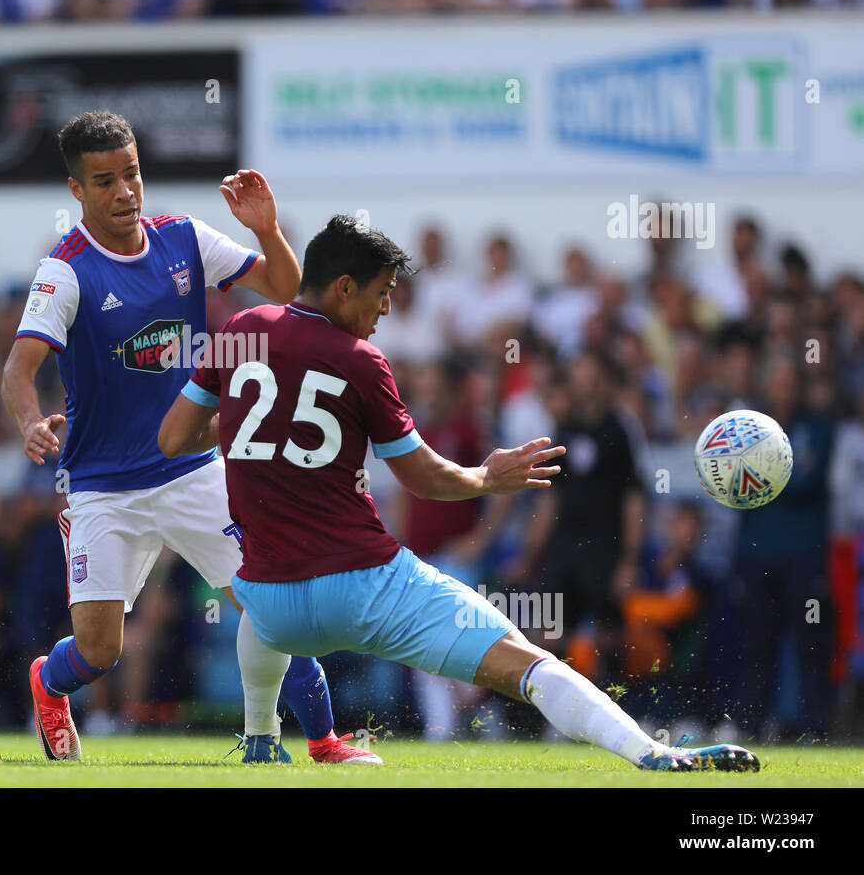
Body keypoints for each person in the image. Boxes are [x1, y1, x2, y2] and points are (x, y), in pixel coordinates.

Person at [158, 213, 759, 772]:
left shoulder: (239, 331)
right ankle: (652, 754)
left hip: (274, 606)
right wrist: (485, 478)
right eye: (382, 293)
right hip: (365, 588)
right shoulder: (363, 361)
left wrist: (239, 422)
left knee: (254, 597)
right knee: (525, 661)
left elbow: (173, 439)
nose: (386, 309)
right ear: (344, 287)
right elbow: (424, 478)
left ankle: (262, 739)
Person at [1, 111, 373, 764]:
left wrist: (266, 230)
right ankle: (47, 685)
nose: (125, 192)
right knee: (100, 651)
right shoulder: (65, 272)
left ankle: (322, 740)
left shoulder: (184, 240)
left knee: (270, 602)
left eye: (132, 174)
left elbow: (287, 290)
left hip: (193, 470)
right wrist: (30, 421)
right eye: (105, 181)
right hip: (104, 486)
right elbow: (18, 367)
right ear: (77, 191)